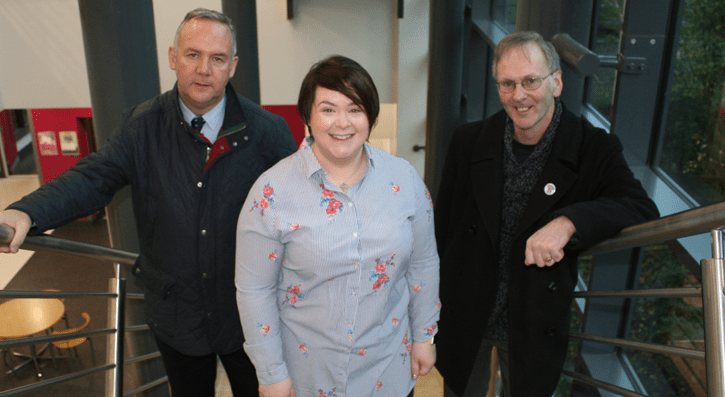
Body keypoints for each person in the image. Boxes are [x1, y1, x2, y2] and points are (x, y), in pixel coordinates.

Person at [0, 8, 297, 397]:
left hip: (250, 318)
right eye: (193, 55)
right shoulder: (141, 126)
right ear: (173, 57)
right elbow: (93, 176)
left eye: (218, 58)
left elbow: (299, 209)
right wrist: (27, 211)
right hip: (177, 315)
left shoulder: (267, 132)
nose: (204, 69)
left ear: (233, 66)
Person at [434, 31, 659, 397]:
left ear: (556, 82)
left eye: (530, 81)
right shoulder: (469, 141)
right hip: (468, 310)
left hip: (532, 318)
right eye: (507, 84)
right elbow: (442, 230)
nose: (519, 96)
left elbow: (640, 207)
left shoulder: (593, 148)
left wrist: (568, 223)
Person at [235, 55, 440, 397]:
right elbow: (255, 290)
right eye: (328, 109)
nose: (342, 123)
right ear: (308, 116)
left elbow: (423, 264)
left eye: (355, 109)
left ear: (370, 117)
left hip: (388, 368)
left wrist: (424, 336)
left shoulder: (403, 179)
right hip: (307, 374)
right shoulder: (271, 192)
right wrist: (271, 372)